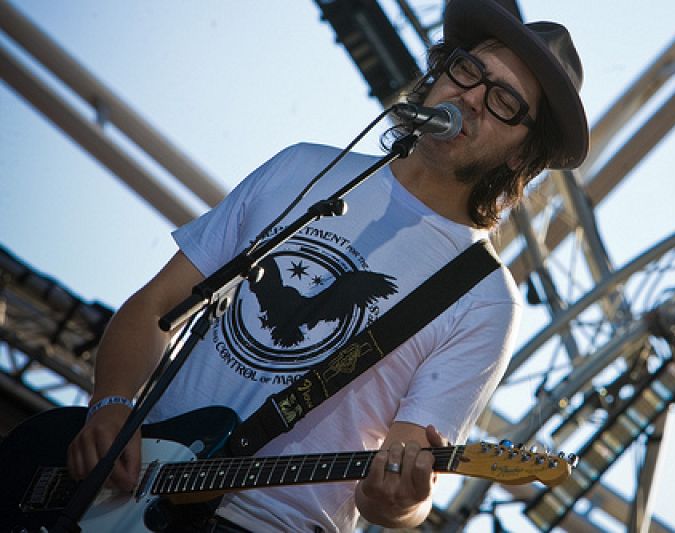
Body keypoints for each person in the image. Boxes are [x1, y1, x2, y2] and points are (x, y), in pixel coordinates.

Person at [66, 0, 589, 530]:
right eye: (469, 70)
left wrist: (399, 501)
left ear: (522, 156)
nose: (472, 97)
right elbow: (157, 305)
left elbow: (406, 478)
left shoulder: (485, 297)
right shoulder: (305, 168)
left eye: (504, 101)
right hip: (122, 487)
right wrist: (110, 404)